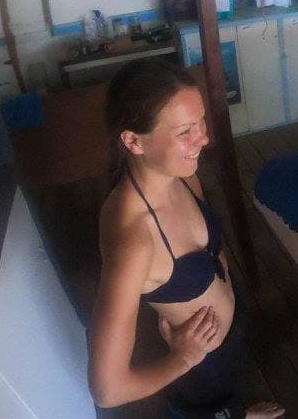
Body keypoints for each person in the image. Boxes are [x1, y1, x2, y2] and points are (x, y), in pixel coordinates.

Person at [88, 59, 284, 419]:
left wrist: (217, 261)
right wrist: (183, 358)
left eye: (201, 122)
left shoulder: (179, 175)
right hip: (199, 374)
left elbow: (204, 242)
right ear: (133, 141)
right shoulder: (134, 240)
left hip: (226, 342)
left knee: (236, 397)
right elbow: (108, 390)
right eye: (185, 131)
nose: (204, 138)